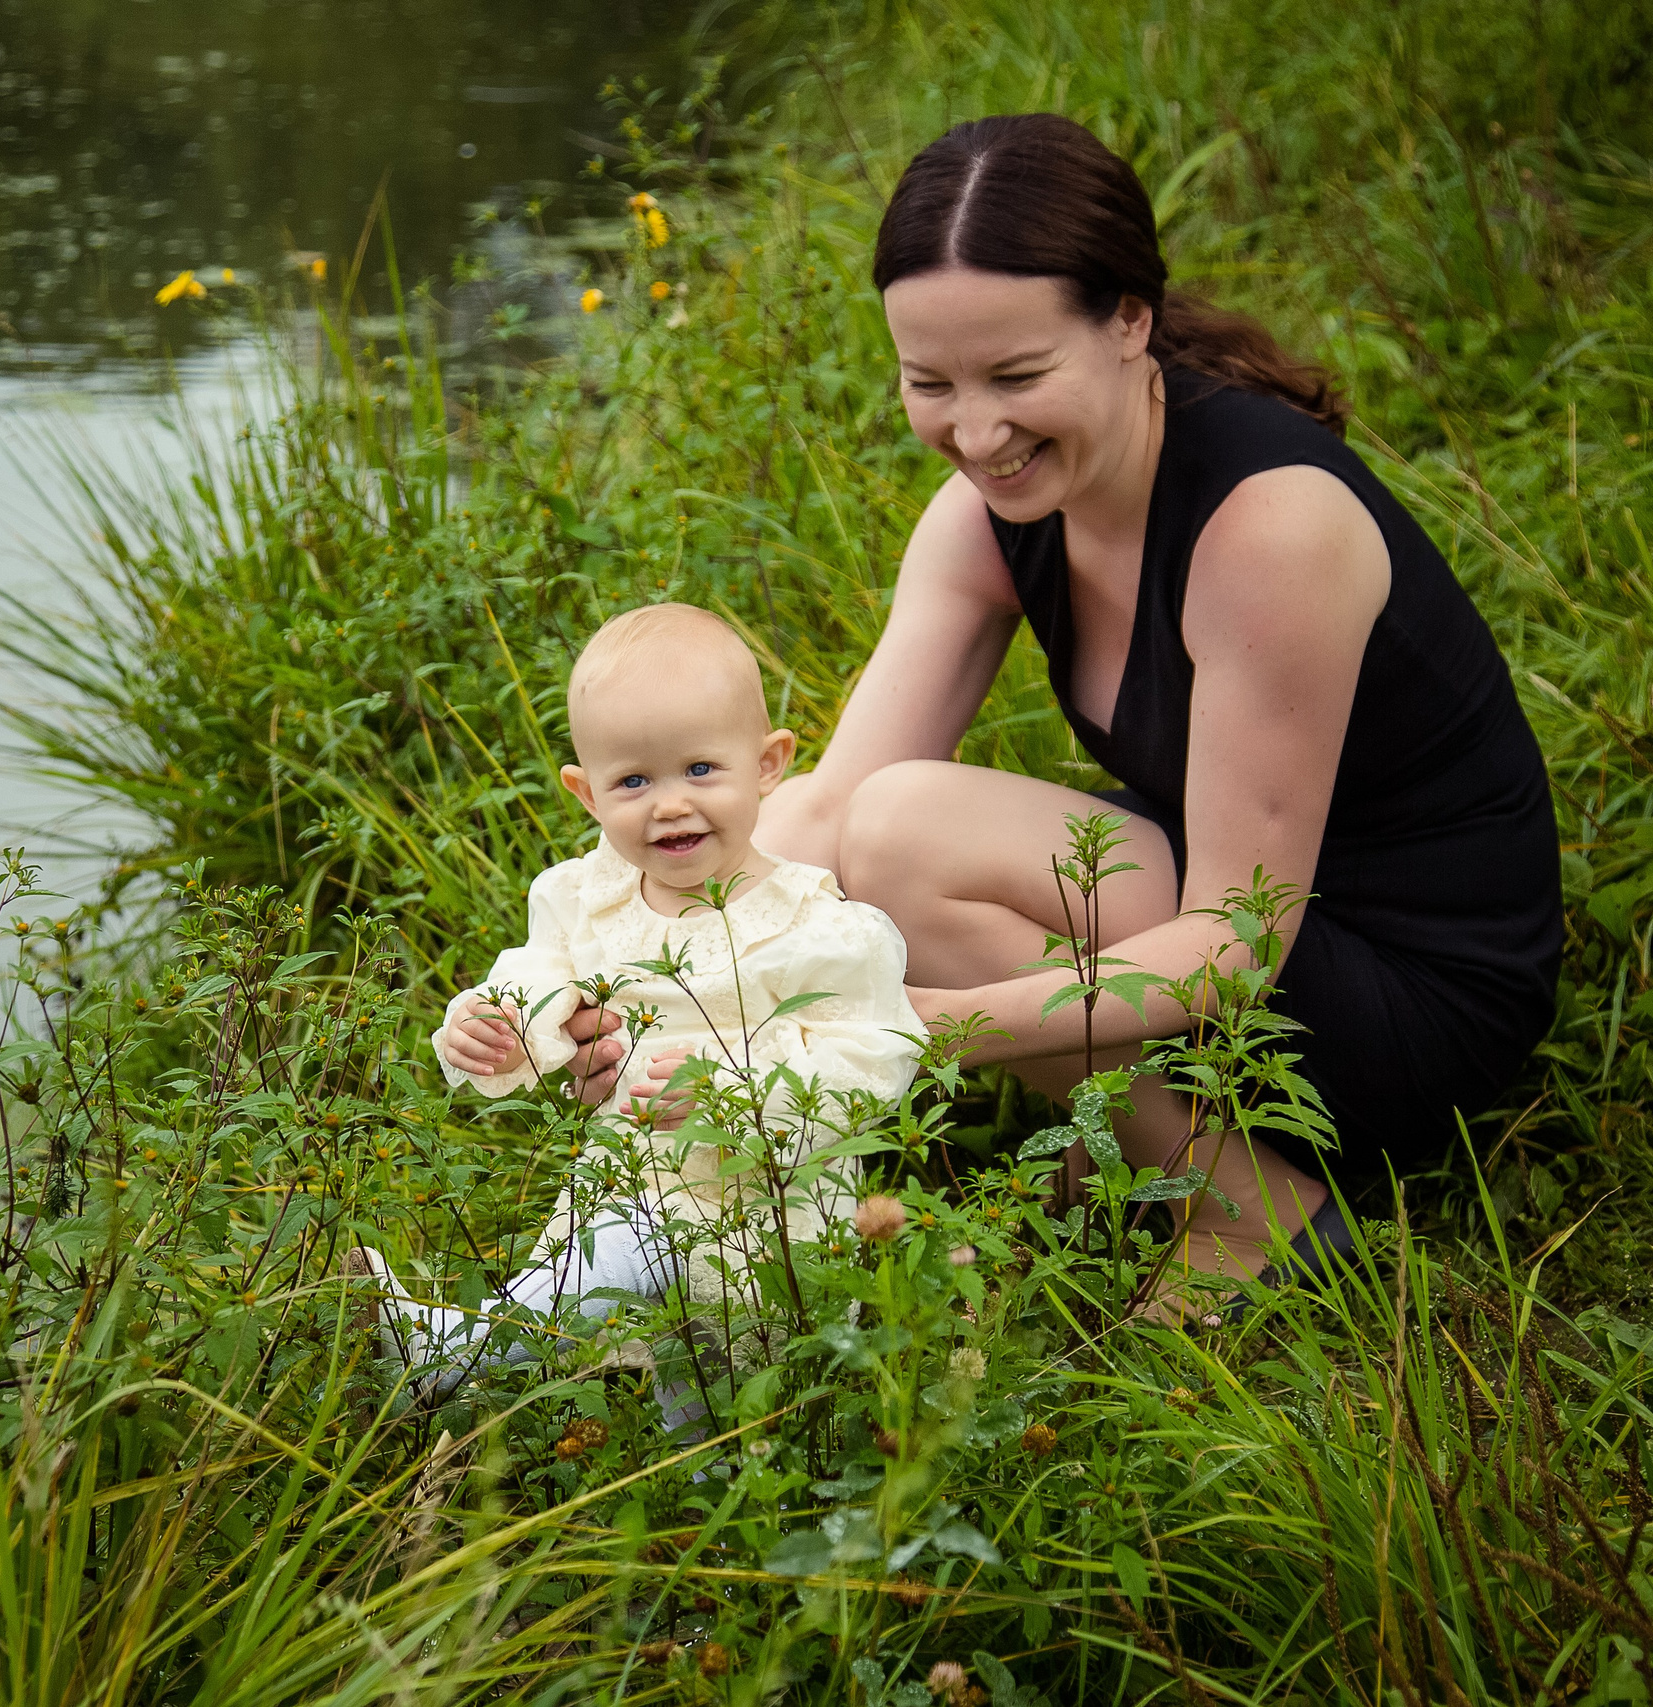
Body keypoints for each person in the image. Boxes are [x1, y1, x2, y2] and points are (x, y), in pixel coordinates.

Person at [564, 113, 1563, 1294]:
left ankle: (1256, 1217)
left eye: (1018, 376)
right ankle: (1132, 1149)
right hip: (1235, 911)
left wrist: (896, 1023)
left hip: (1405, 997)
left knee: (910, 836)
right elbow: (819, 811)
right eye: (927, 382)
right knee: (869, 828)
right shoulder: (992, 515)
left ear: (1130, 320)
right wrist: (640, 981)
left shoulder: (1267, 527)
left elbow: (1238, 948)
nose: (975, 434)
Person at [350, 603, 925, 1405]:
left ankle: (449, 1359)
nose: (668, 804)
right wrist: (497, 1027)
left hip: (768, 1222)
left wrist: (731, 1093)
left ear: (768, 764)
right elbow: (538, 974)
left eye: (700, 770)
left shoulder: (817, 928)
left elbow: (874, 1061)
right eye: (633, 781)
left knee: (727, 1399)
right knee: (667, 1361)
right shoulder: (590, 897)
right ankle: (465, 1362)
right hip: (632, 1191)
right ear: (586, 793)